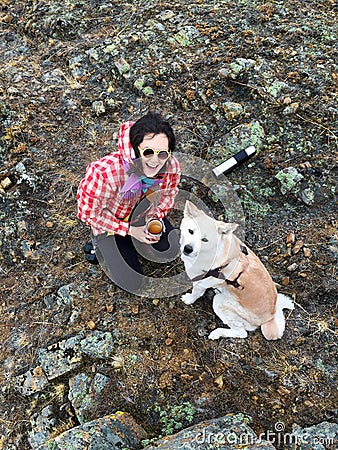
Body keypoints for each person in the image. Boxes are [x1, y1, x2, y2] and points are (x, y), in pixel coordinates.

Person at [77, 111, 181, 293]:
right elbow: (89, 213)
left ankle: (138, 241)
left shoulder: (171, 167)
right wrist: (130, 231)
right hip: (109, 224)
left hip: (141, 215)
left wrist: (154, 218)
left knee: (171, 250)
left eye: (162, 154)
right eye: (148, 152)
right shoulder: (104, 173)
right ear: (134, 149)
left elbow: (168, 195)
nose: (155, 161)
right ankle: (99, 245)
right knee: (132, 282)